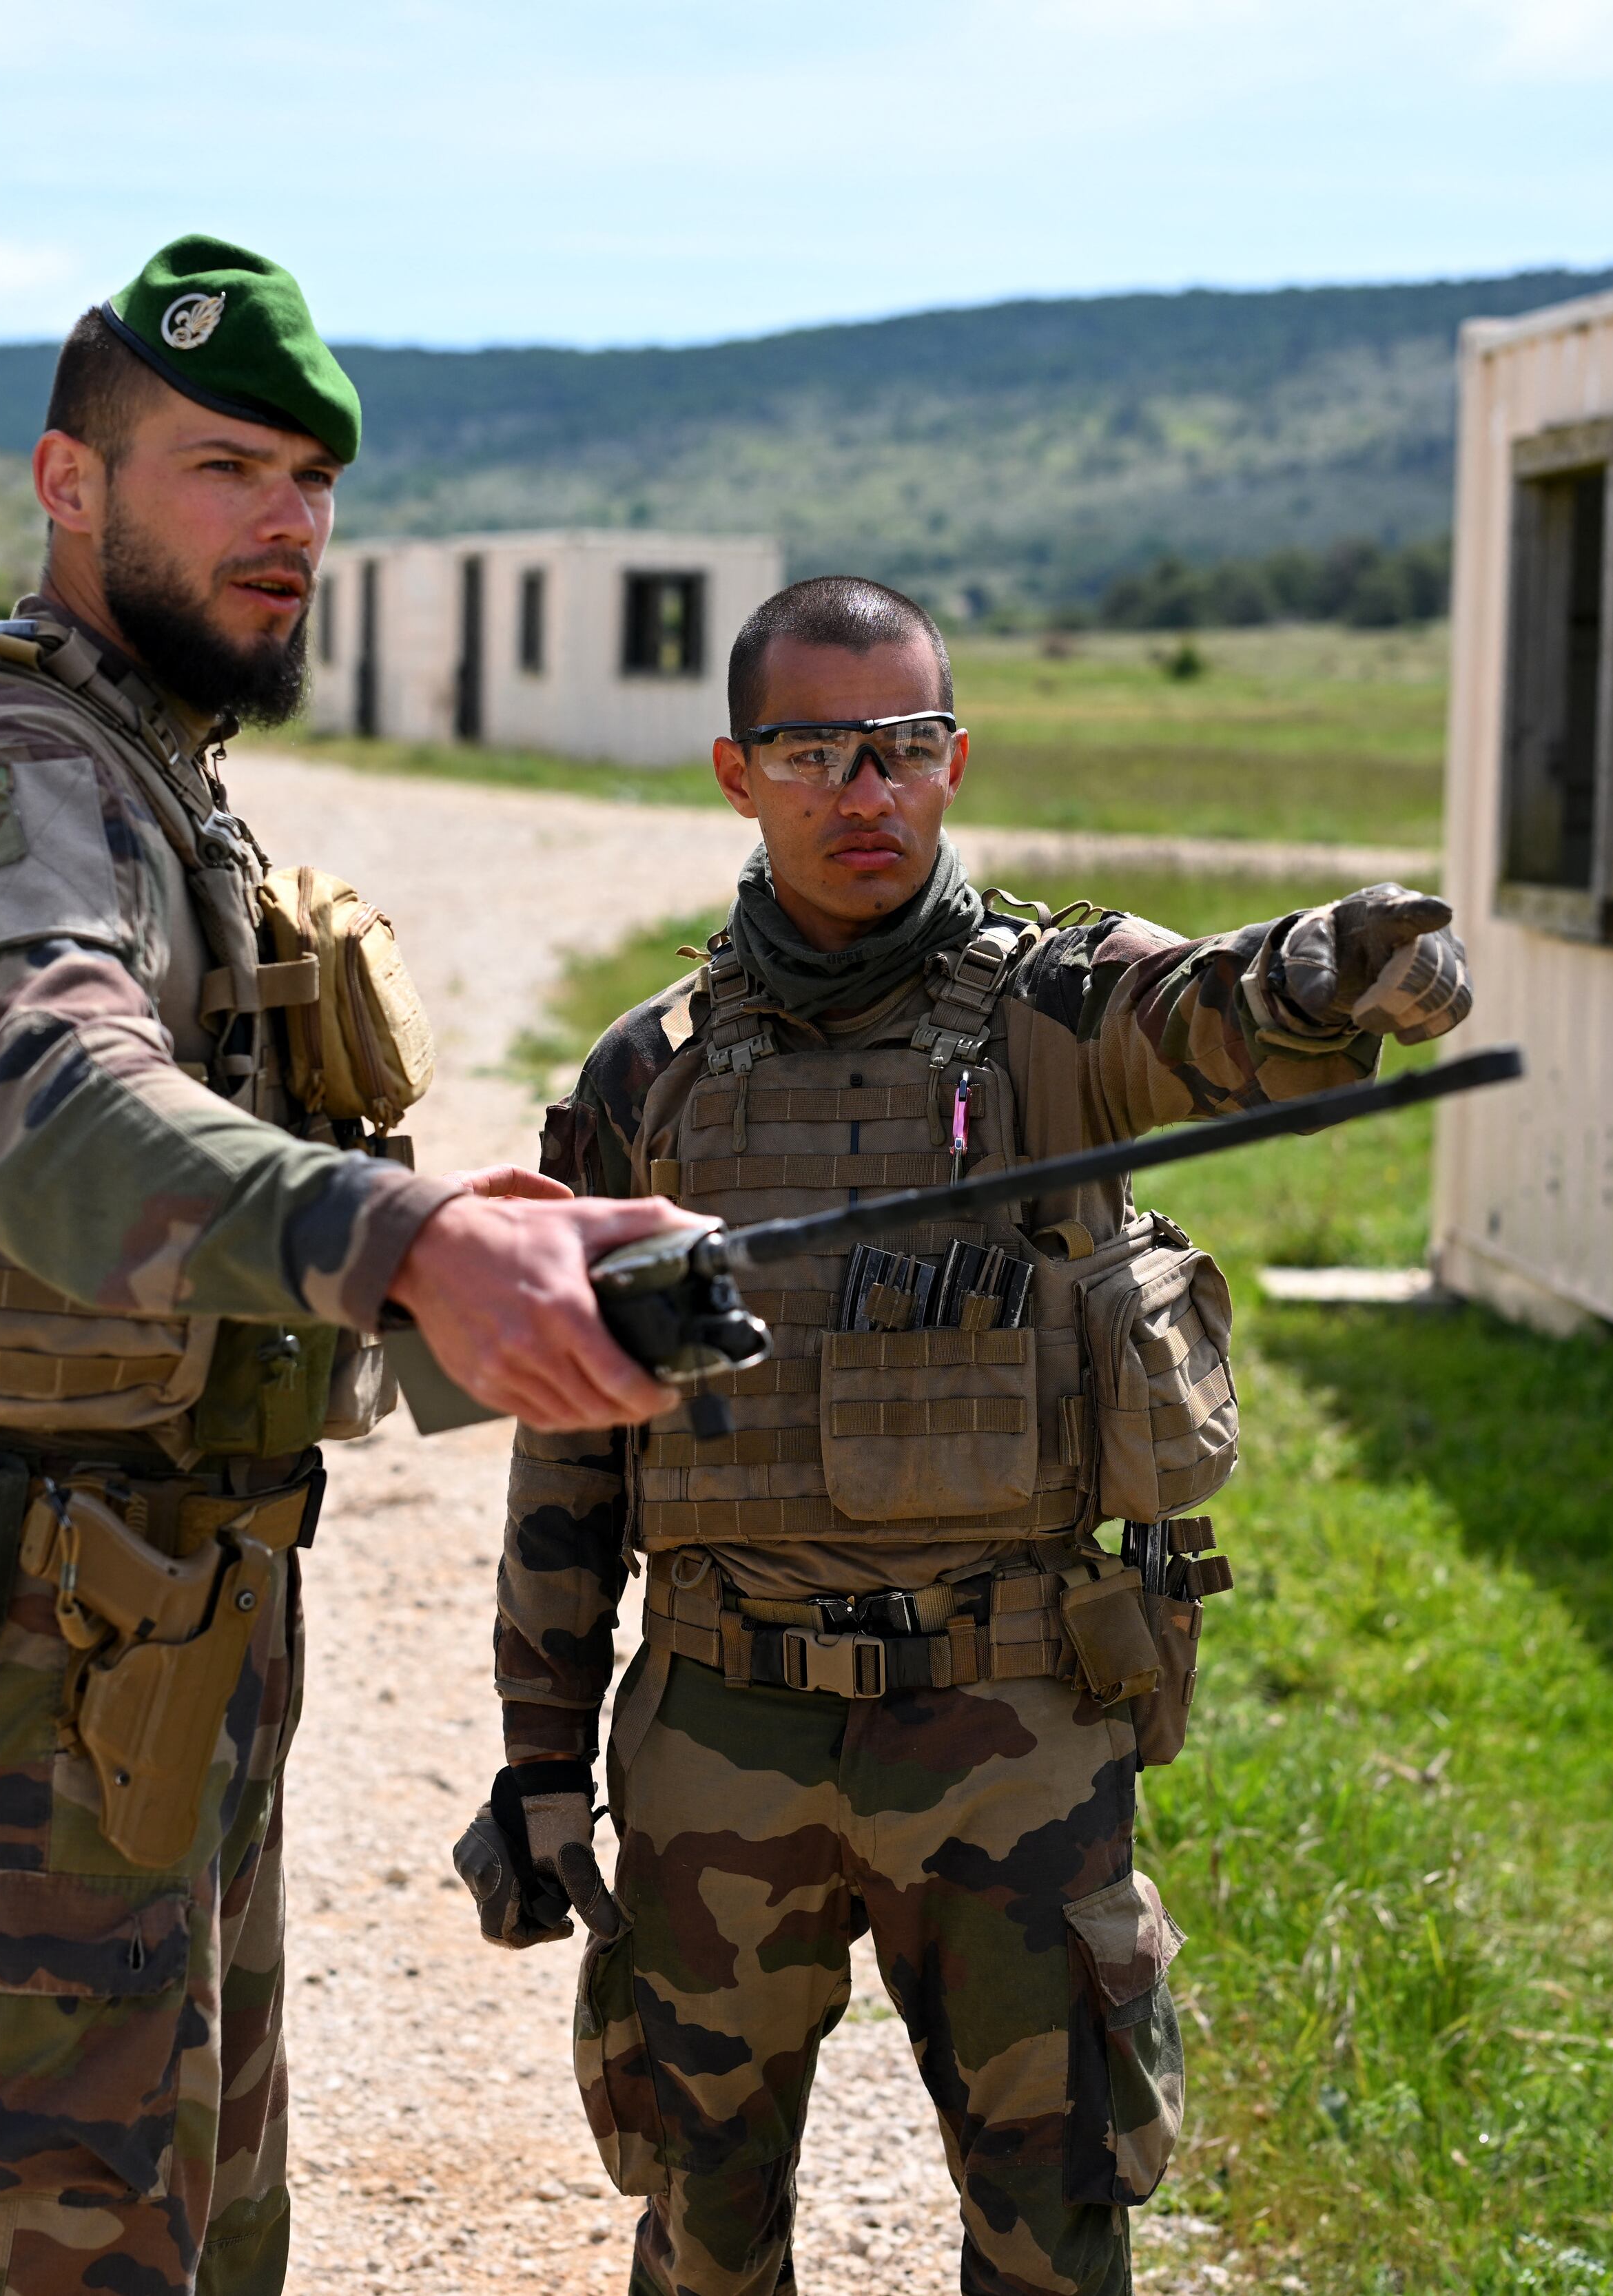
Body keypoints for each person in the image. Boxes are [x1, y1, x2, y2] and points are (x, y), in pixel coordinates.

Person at [0, 235, 681, 2296]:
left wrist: (467, 1258)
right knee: (61, 2245)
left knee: (203, 2225)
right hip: (49, 1659)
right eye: (224, 468)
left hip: (160, 1632)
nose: (288, 524)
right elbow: (56, 1124)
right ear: (70, 482)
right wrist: (406, 1236)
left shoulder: (143, 763)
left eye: (314, 481)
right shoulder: (8, 768)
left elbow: (182, 1236)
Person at [471, 576, 1474, 2296]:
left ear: (954, 760)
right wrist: (542, 1757)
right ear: (735, 771)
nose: (866, 794)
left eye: (905, 748)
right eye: (817, 753)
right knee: (701, 2235)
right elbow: (571, 1441)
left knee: (1051, 2235)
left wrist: (1332, 970)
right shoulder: (652, 1076)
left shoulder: (1062, 1018)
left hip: (1009, 1726)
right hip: (722, 1730)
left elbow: (1221, 1016)